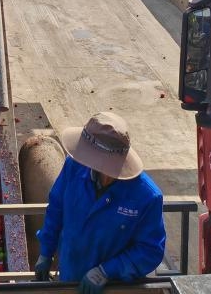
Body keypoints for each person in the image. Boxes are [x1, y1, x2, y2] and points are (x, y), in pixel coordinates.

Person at [34, 112, 166, 294]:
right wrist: (46, 252)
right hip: (70, 275)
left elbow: (150, 250)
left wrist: (107, 271)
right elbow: (56, 208)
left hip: (113, 287)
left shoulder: (146, 197)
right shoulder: (74, 168)